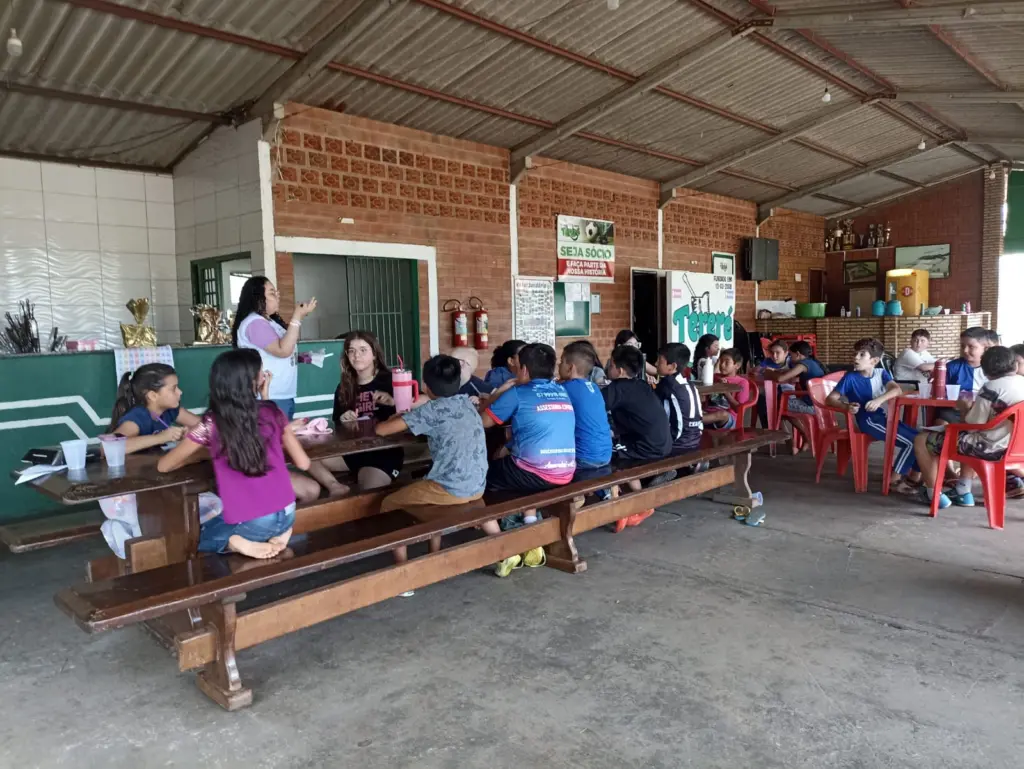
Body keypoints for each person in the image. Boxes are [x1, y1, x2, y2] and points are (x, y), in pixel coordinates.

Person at [158, 349, 309, 559]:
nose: (264, 375)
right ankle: (280, 533)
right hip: (289, 513)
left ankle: (234, 542)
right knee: (248, 517)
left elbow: (163, 466)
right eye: (260, 372)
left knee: (201, 536)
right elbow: (303, 463)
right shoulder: (273, 412)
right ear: (254, 381)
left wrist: (205, 453)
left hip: (256, 523)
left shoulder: (211, 424)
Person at [375, 355, 491, 565]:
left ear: (426, 386)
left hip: (451, 489)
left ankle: (401, 567)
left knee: (389, 503)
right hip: (477, 485)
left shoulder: (431, 411)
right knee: (426, 484)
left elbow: (382, 430)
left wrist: (398, 416)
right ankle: (433, 552)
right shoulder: (466, 403)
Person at [482, 343, 574, 566]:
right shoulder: (561, 390)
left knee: (482, 478)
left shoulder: (518, 393)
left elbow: (483, 422)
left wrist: (500, 392)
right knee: (512, 466)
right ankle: (530, 523)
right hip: (565, 471)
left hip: (534, 473)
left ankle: (512, 535)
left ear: (523, 370)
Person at [914, 346, 1024, 509]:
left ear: (984, 372)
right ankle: (962, 491)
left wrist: (964, 408)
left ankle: (933, 494)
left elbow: (972, 427)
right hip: (1018, 448)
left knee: (922, 440)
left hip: (992, 449)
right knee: (966, 438)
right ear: (1015, 365)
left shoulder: (991, 388)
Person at [826, 338, 920, 493]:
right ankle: (893, 480)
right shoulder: (850, 378)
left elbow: (896, 390)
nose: (856, 357)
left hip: (883, 418)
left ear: (874, 361)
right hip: (869, 421)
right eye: (855, 354)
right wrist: (846, 406)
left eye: (862, 354)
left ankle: (914, 477)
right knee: (911, 443)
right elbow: (830, 399)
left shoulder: (881, 373)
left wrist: (878, 400)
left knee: (920, 438)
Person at [317, 330, 405, 494]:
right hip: (351, 452)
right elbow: (336, 425)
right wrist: (343, 419)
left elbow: (416, 407)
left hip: (383, 454)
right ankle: (335, 486)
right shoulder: (344, 387)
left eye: (363, 350)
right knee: (306, 458)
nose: (356, 355)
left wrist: (394, 402)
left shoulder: (392, 380)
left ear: (374, 354)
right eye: (351, 351)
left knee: (369, 494)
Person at [604, 345, 672, 530]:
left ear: (619, 370)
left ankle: (626, 508)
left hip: (647, 446)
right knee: (618, 450)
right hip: (663, 443)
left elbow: (593, 406)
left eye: (611, 365)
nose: (608, 368)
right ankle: (638, 502)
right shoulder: (641, 384)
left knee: (605, 453)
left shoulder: (618, 388)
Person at [232, 275, 317, 420]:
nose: (277, 296)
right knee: (274, 432)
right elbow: (282, 351)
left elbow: (281, 349)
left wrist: (298, 357)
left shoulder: (269, 321)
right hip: (268, 395)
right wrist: (297, 316)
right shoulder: (255, 322)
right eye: (272, 293)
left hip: (281, 394)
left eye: (277, 292)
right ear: (257, 297)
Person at [107, 363, 201, 451]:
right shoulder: (138, 417)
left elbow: (206, 426)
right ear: (153, 396)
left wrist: (190, 432)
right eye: (173, 389)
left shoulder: (170, 410)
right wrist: (160, 438)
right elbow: (109, 446)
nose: (180, 392)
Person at [559, 341, 613, 470]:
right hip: (606, 455)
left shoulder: (564, 389)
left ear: (570, 368)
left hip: (584, 458)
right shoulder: (594, 387)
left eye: (561, 362)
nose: (559, 365)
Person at [773, 341, 826, 448]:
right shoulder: (812, 362)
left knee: (776, 407)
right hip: (819, 403)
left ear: (797, 354)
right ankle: (802, 438)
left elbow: (780, 379)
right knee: (783, 410)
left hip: (811, 405)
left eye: (791, 354)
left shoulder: (802, 365)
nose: (790, 357)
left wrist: (769, 372)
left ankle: (804, 437)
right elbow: (794, 375)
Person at [937, 327, 993, 423]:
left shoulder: (993, 368)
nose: (965, 350)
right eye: (962, 346)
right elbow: (941, 394)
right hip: (955, 411)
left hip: (984, 412)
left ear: (985, 348)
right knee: (942, 421)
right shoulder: (952, 367)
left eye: (971, 347)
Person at [655, 342, 703, 454]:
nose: (656, 363)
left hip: (676, 445)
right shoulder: (689, 384)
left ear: (672, 366)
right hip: (695, 440)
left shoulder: (666, 385)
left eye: (660, 361)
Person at [703, 348, 751, 430]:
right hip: (708, 414)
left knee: (722, 414)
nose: (722, 365)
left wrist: (725, 391)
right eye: (721, 361)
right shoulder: (714, 377)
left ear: (737, 365)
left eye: (727, 362)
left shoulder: (742, 382)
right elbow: (705, 400)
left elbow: (739, 409)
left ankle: (694, 421)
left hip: (728, 419)